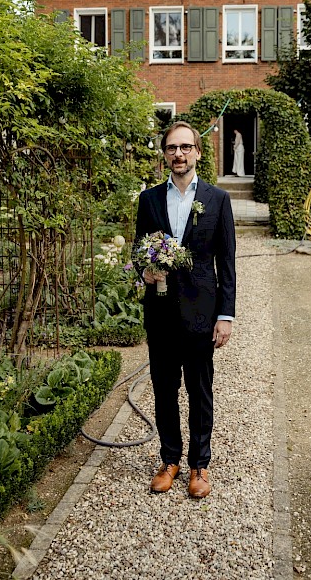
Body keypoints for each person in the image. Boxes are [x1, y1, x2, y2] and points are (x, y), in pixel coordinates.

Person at [135, 121, 236, 499]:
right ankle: (170, 458)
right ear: (164, 154)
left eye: (185, 147)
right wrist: (143, 271)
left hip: (201, 312)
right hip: (160, 311)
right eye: (171, 148)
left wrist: (226, 315)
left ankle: (199, 464)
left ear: (197, 152)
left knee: (199, 390)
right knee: (163, 390)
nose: (178, 154)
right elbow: (137, 248)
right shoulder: (148, 200)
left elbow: (227, 262)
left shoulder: (217, 199)